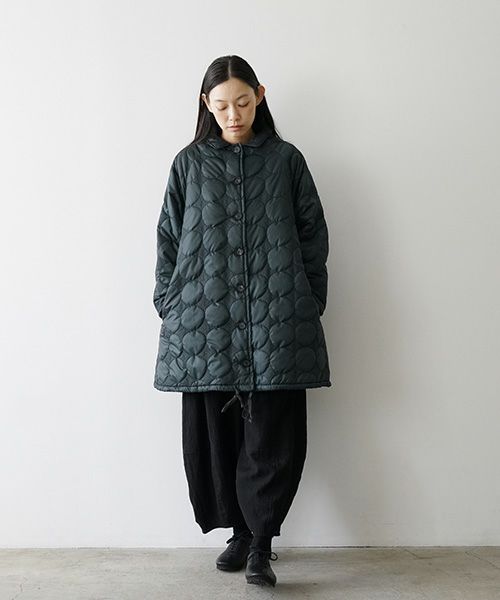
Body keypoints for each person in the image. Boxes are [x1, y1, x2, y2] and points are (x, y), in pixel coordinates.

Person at [152, 54, 332, 588]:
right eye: (222, 105)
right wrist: (168, 300)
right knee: (217, 435)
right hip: (203, 324)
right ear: (206, 105)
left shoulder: (286, 161)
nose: (234, 115)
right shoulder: (189, 164)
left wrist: (309, 299)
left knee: (272, 436)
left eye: (244, 102)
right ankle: (237, 532)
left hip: (278, 323)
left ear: (260, 96)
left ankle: (261, 542)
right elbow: (168, 236)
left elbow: (313, 233)